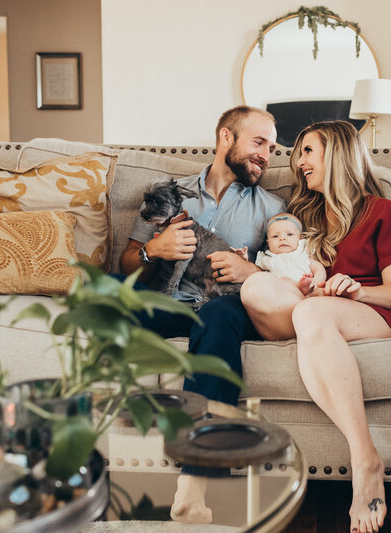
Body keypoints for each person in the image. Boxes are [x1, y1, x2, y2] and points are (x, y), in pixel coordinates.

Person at [240, 121, 391, 533]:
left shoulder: (380, 212)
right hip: (313, 306)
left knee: (310, 314)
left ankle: (365, 458)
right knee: (255, 287)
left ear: (337, 153)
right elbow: (280, 276)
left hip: (367, 310)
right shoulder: (300, 216)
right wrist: (299, 285)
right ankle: (313, 328)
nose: (298, 162)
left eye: (308, 151)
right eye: (299, 152)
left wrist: (355, 291)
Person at [119, 105, 285, 522]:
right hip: (169, 301)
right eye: (259, 142)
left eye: (272, 147)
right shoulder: (168, 192)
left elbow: (285, 274)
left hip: (227, 305)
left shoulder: (272, 207)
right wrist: (152, 250)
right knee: (112, 313)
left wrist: (252, 269)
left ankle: (194, 479)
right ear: (226, 138)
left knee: (217, 319)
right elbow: (125, 263)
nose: (267, 155)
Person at [233, 212, 326, 306]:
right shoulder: (267, 258)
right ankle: (299, 287)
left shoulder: (302, 253)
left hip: (308, 295)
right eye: (275, 236)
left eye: (289, 234)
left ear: (300, 238)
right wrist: (243, 259)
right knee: (280, 280)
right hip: (279, 298)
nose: (282, 238)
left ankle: (304, 288)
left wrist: (316, 283)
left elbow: (319, 269)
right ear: (268, 243)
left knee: (322, 292)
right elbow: (255, 274)